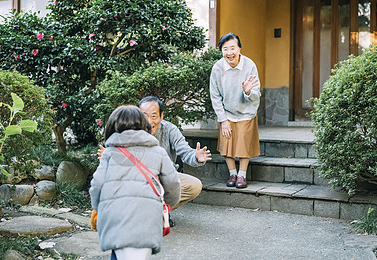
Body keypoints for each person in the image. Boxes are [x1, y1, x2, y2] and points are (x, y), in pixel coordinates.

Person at [98, 96, 212, 224]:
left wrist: (196, 157)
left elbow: (185, 152)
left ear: (161, 116)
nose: (149, 121)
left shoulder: (169, 129)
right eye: (144, 116)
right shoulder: (128, 131)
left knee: (194, 185)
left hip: (164, 177)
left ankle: (159, 211)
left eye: (154, 116)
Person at [90, 105, 180, 260]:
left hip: (115, 219)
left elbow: (96, 186)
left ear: (112, 127)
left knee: (117, 253)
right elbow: (173, 183)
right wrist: (166, 205)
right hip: (147, 218)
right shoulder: (158, 152)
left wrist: (101, 208)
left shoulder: (110, 153)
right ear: (144, 125)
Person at [209, 32, 261, 188]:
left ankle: (242, 175)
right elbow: (215, 95)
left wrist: (247, 92)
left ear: (239, 48)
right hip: (228, 112)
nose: (229, 53)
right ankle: (232, 173)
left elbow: (256, 93)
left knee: (244, 144)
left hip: (246, 112)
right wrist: (223, 119)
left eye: (233, 48)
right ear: (221, 51)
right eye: (225, 49)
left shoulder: (249, 65)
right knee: (227, 144)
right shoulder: (218, 68)